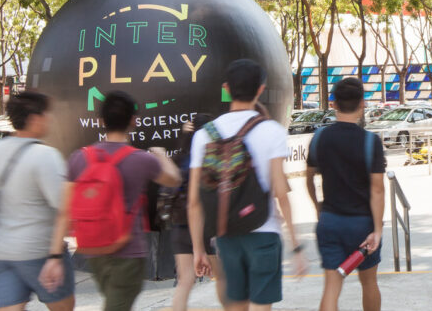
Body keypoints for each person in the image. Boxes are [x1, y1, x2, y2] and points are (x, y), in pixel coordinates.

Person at [41, 91, 182, 311]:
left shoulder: (80, 158)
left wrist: (54, 256)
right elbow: (174, 180)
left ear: (101, 121)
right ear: (133, 121)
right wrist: (161, 155)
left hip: (95, 251)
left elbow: (64, 211)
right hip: (129, 252)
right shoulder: (140, 159)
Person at [187, 59, 308, 311]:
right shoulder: (271, 130)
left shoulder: (203, 135)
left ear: (226, 88)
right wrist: (296, 245)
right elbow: (280, 192)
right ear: (261, 89)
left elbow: (194, 201)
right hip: (264, 233)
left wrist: (198, 248)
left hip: (226, 236)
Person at [0, 91, 74, 311]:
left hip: (1, 252)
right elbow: (64, 209)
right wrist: (56, 256)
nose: (51, 119)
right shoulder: (45, 156)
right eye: (47, 114)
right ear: (34, 119)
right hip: (40, 252)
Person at [304, 77, 386, 311]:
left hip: (330, 222)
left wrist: (317, 206)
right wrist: (377, 230)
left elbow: (308, 178)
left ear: (334, 103)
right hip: (363, 225)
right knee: (369, 283)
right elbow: (377, 189)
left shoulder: (319, 138)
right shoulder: (371, 142)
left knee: (332, 285)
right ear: (362, 103)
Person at [167, 114, 229, 311]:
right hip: (204, 227)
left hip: (179, 226)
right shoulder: (210, 158)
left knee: (185, 281)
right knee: (222, 278)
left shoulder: (179, 157)